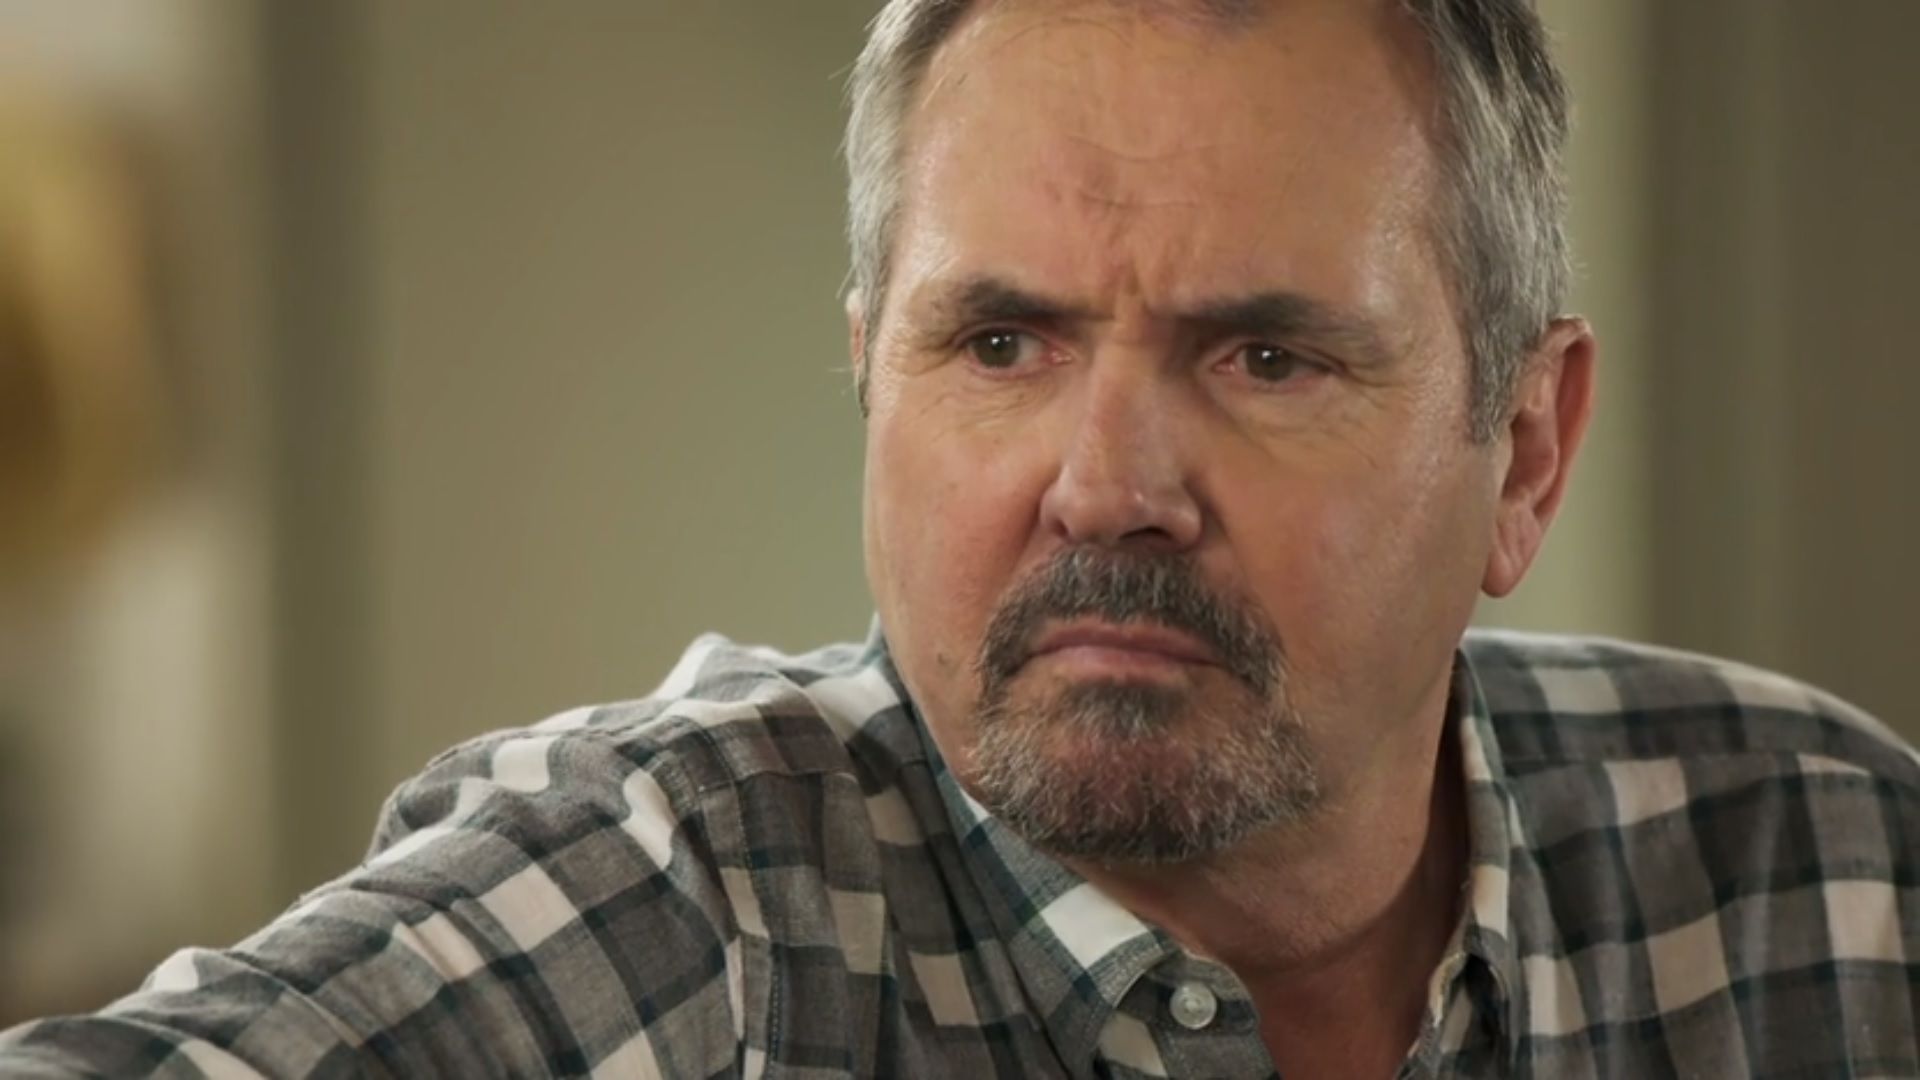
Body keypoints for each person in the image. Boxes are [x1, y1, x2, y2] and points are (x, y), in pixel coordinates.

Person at [6, 0, 1916, 1075]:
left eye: (1263, 356)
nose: (1105, 485)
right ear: (874, 373)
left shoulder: (1828, 874)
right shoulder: (697, 908)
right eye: (1000, 344)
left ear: (1524, 451)